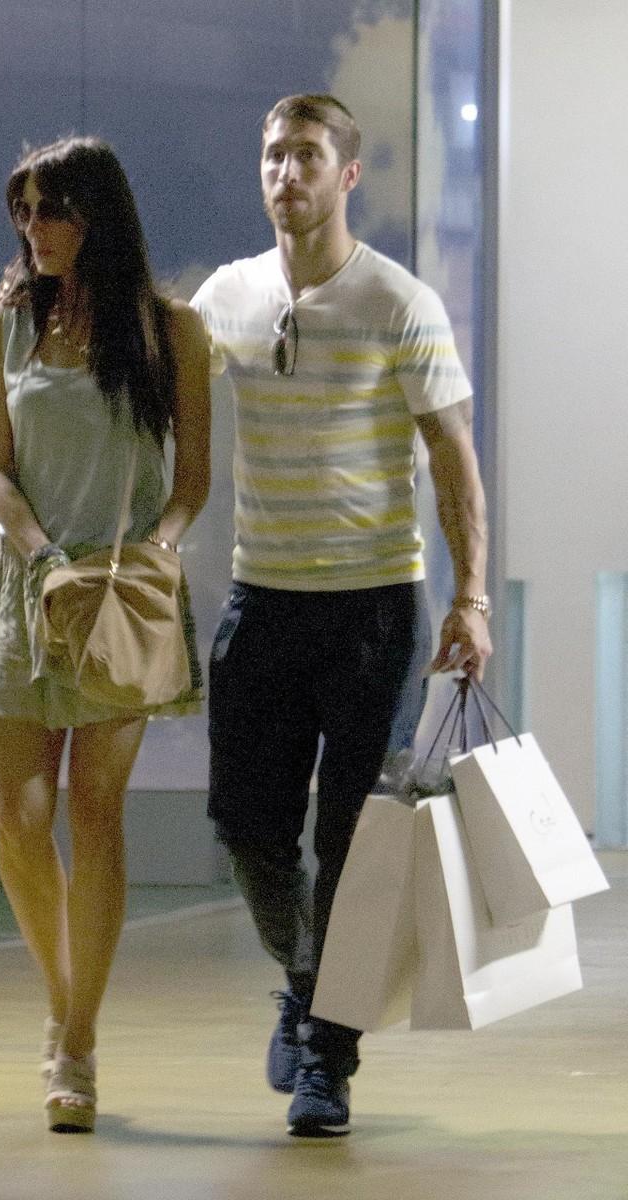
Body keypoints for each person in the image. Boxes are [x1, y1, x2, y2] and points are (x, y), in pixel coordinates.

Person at [190, 94, 492, 1138]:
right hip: (262, 602)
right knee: (247, 828)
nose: (287, 173)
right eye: (273, 155)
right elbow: (152, 382)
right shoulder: (226, 296)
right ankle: (307, 980)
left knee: (354, 843)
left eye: (307, 157)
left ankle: (328, 1057)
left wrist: (470, 597)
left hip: (374, 609)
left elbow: (453, 459)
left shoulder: (398, 301)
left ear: (346, 175)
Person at [0, 136, 210, 1133]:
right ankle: (64, 1002)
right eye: (22, 212)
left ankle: (77, 1043)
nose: (35, 229)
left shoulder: (170, 331)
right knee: (19, 820)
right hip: (28, 589)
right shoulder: (4, 327)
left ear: (97, 214)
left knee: (96, 809)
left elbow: (191, 483)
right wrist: (43, 558)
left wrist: (151, 556)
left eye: (51, 209)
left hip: (123, 597)